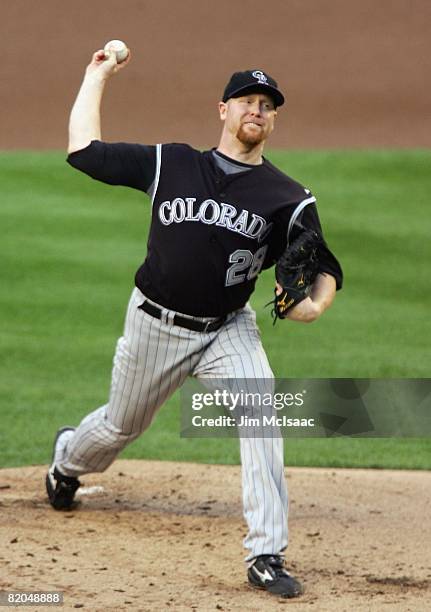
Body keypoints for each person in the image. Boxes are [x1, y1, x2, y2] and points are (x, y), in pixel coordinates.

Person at [46, 47, 343, 599]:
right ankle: (67, 462)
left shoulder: (289, 199)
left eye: (267, 104)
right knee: (119, 427)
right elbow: (83, 152)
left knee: (261, 410)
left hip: (228, 329)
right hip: (154, 327)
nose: (257, 109)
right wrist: (95, 74)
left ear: (274, 120)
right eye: (247, 100)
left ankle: (266, 554)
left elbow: (323, 269)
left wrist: (313, 305)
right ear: (223, 110)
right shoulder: (172, 163)